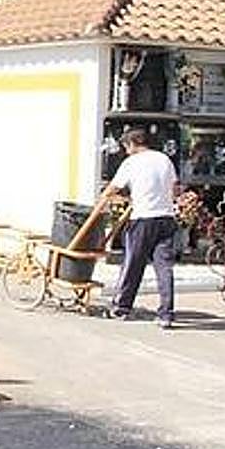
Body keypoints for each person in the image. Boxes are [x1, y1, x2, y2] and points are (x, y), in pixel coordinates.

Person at [92, 128, 179, 329]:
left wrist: (104, 198)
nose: (126, 151)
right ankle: (166, 314)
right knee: (164, 268)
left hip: (143, 219)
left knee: (133, 263)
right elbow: (174, 188)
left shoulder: (131, 163)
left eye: (126, 147)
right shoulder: (164, 159)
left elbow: (112, 188)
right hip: (166, 218)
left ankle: (121, 307)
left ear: (131, 144)